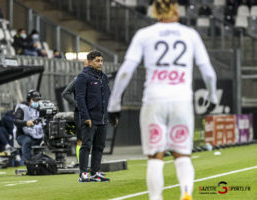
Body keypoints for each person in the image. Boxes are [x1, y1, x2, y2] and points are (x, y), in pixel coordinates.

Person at [108, 1, 218, 200]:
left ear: (155, 12)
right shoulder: (190, 34)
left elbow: (125, 71)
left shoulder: (144, 34)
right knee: (182, 155)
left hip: (154, 100)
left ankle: (156, 198)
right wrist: (211, 98)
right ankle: (185, 192)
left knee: (155, 156)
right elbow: (209, 73)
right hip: (181, 101)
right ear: (176, 10)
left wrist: (114, 103)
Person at [75, 51, 113, 182]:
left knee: (99, 146)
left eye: (101, 61)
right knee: (86, 145)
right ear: (89, 61)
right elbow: (80, 98)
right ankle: (83, 173)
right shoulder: (83, 77)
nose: (100, 63)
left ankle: (95, 172)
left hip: (102, 118)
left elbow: (108, 96)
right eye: (97, 61)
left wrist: (111, 114)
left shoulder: (103, 77)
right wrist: (86, 117)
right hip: (90, 118)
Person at [14, 90, 44, 165]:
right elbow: (16, 121)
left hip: (39, 135)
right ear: (29, 100)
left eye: (38, 100)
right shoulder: (22, 108)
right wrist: (26, 123)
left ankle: (41, 161)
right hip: (23, 135)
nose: (37, 102)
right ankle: (27, 162)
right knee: (27, 141)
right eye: (35, 100)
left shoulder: (42, 108)